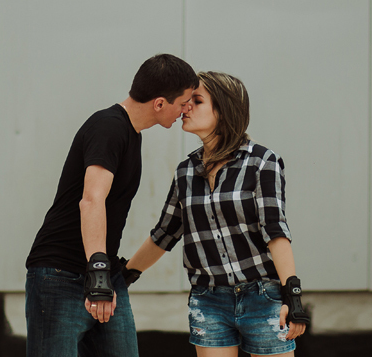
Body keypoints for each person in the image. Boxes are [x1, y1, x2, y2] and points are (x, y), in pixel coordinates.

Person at [122, 71, 310, 357]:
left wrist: (292, 294)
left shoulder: (262, 162)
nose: (186, 107)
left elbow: (275, 230)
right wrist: (124, 275)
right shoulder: (185, 172)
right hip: (209, 301)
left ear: (223, 110)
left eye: (197, 101)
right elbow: (164, 234)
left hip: (262, 297)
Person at [24, 54, 199, 357]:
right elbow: (92, 199)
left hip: (104, 275)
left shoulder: (131, 133)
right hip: (61, 274)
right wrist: (99, 275)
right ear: (159, 103)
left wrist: (114, 275)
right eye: (183, 103)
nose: (186, 110)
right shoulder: (109, 127)